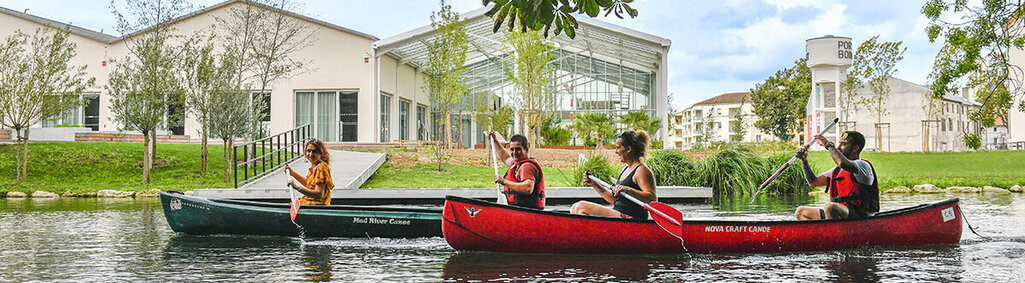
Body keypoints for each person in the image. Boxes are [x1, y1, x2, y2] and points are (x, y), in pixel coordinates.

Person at [571, 130, 657, 219]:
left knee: (580, 207)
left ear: (628, 149)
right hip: (619, 216)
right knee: (574, 208)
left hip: (632, 219)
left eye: (618, 148)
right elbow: (614, 200)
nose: (616, 152)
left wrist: (628, 190)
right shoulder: (625, 169)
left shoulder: (641, 170)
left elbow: (652, 199)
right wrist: (594, 184)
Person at [795, 131, 879, 220]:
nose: (838, 147)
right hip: (841, 214)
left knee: (830, 207)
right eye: (839, 143)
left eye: (843, 144)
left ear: (855, 148)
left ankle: (833, 232)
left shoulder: (862, 165)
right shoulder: (838, 170)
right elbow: (813, 182)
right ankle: (820, 233)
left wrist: (828, 145)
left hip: (861, 216)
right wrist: (804, 161)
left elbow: (842, 162)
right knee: (801, 212)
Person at [486, 131, 546, 209]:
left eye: (518, 149)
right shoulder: (517, 163)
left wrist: (503, 181)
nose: (515, 152)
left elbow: (527, 188)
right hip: (520, 209)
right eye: (512, 149)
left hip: (527, 212)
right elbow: (506, 158)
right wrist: (495, 141)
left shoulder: (527, 167)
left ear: (526, 150)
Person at [285, 138, 335, 205]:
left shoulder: (321, 167)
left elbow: (319, 194)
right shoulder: (314, 167)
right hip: (309, 203)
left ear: (321, 153)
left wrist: (297, 188)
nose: (311, 154)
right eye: (309, 151)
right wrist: (293, 173)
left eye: (314, 152)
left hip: (316, 206)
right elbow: (308, 184)